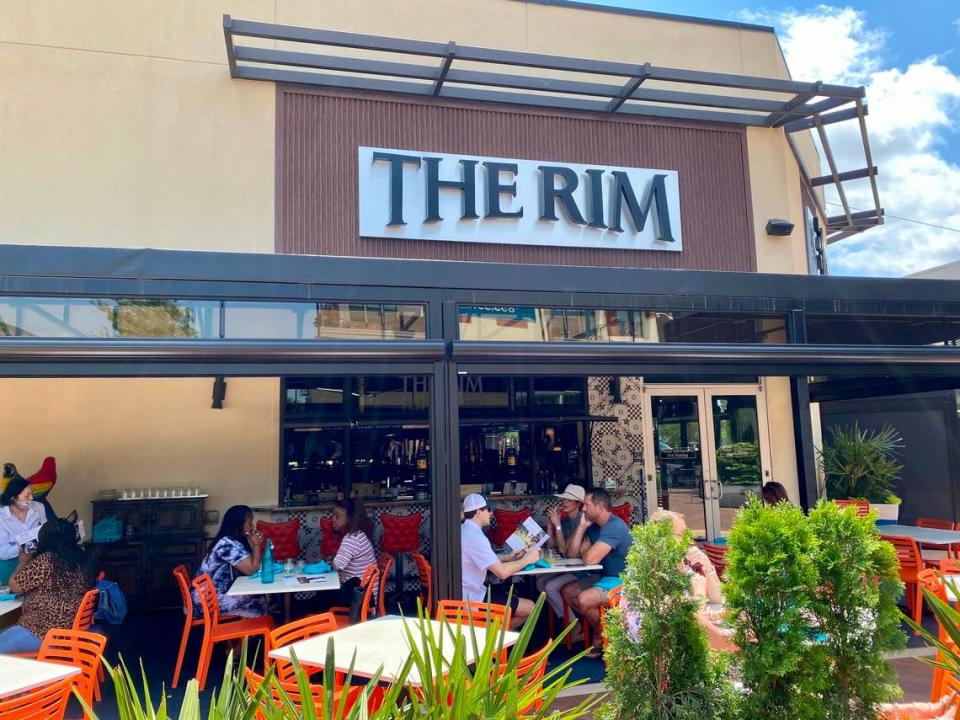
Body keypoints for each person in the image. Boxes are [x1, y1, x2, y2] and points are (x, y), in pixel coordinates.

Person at [0, 518, 91, 653]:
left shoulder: (46, 560)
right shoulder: (81, 557)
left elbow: (15, 586)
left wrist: (23, 562)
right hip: (68, 628)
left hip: (42, 631)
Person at [560, 487, 632, 657]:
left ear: (599, 507)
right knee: (567, 591)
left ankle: (600, 637)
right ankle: (603, 629)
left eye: (586, 505)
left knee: (584, 600)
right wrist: (581, 527)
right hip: (606, 577)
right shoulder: (593, 526)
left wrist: (586, 552)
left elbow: (590, 559)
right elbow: (571, 553)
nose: (583, 508)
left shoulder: (614, 526)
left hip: (623, 580)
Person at [460, 493, 540, 629]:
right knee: (530, 607)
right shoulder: (476, 537)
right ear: (479, 512)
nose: (491, 514)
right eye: (488, 510)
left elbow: (481, 559)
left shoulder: (465, 530)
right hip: (473, 599)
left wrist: (508, 557)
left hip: (468, 593)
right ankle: (493, 642)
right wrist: (527, 559)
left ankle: (492, 638)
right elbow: (502, 573)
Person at [192, 505, 267, 618]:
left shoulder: (229, 540)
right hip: (206, 603)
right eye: (249, 522)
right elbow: (251, 569)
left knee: (259, 598)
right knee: (257, 603)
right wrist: (257, 544)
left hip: (208, 596)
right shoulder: (227, 544)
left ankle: (255, 632)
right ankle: (257, 633)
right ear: (239, 523)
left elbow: (250, 563)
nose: (252, 525)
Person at [537, 483, 585, 622]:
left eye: (568, 500)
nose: (564, 502)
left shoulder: (580, 521)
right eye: (564, 499)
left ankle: (573, 624)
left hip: (581, 571)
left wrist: (557, 525)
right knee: (540, 583)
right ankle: (567, 621)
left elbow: (564, 550)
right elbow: (553, 547)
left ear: (578, 503)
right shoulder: (565, 521)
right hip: (568, 568)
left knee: (550, 586)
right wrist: (551, 526)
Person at [329, 499, 378, 607]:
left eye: (337, 516)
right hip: (366, 594)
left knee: (319, 599)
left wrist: (330, 561)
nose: (333, 520)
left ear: (349, 519)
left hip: (359, 598)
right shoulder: (360, 534)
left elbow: (338, 565)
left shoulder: (351, 539)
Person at [0, 476, 48, 585]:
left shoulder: (38, 508)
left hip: (36, 558)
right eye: (27, 496)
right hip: (10, 563)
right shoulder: (1, 518)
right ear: (13, 499)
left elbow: (46, 530)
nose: (31, 498)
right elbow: (2, 552)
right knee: (13, 591)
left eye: (31, 494)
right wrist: (25, 547)